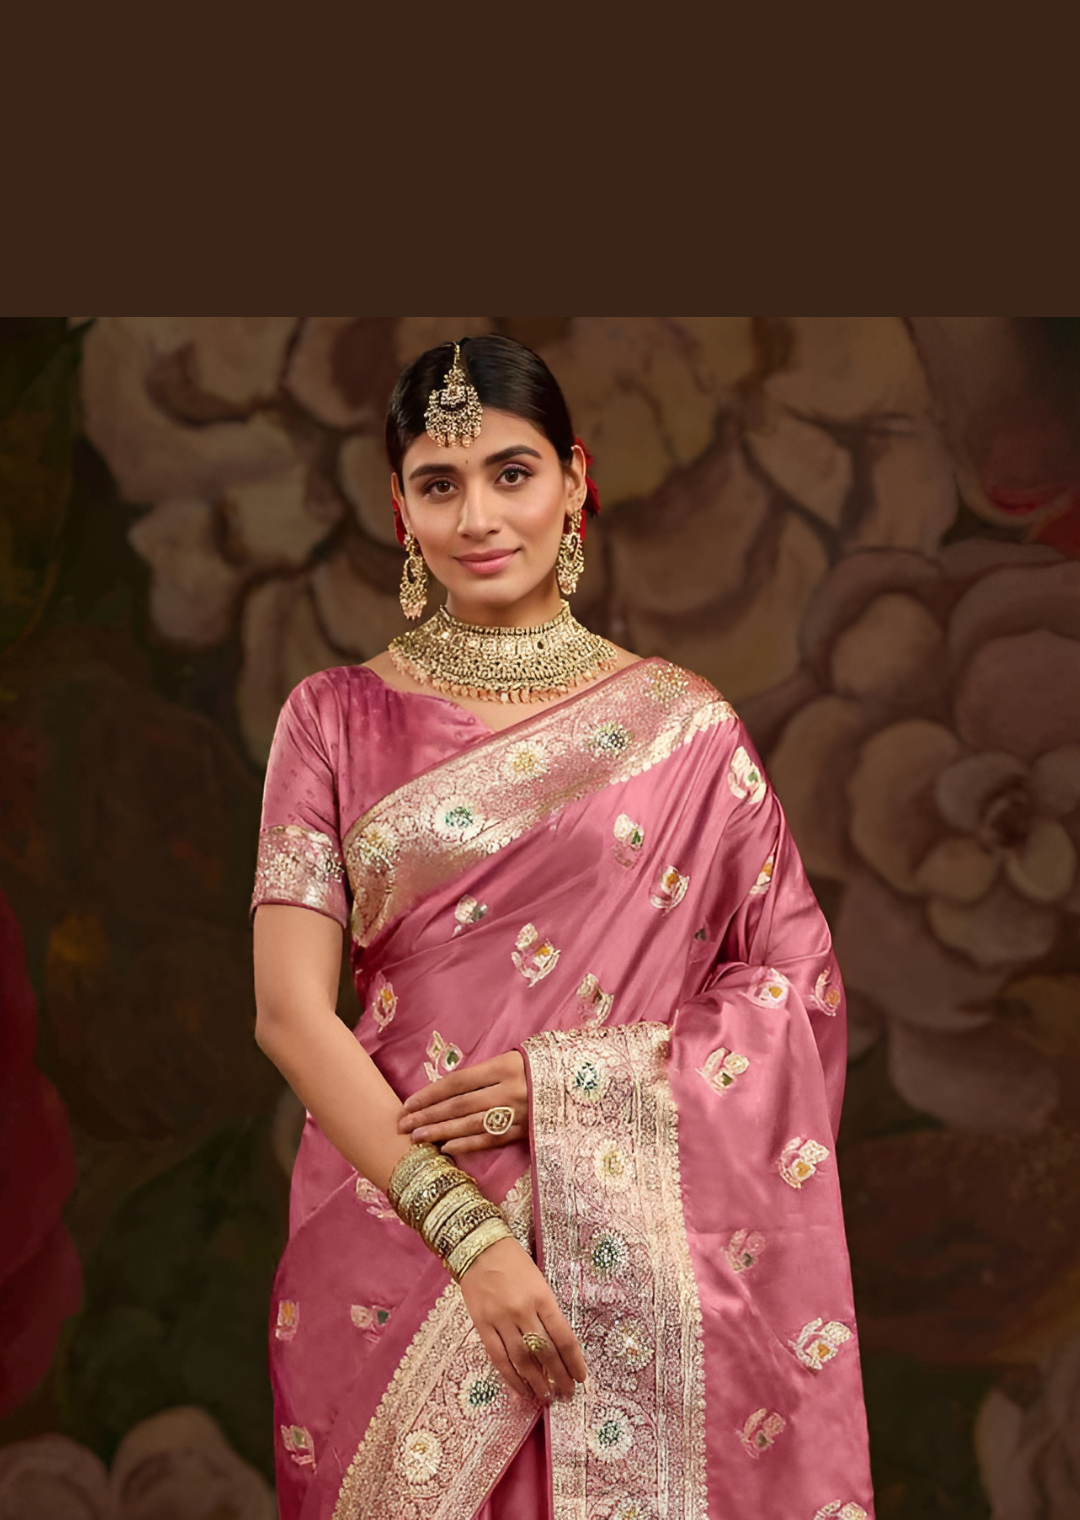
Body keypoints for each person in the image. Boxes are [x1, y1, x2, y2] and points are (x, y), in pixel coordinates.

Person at [251, 335, 873, 1520]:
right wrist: (469, 1235)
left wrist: (580, 1088)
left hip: (630, 1262)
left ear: (575, 477)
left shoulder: (685, 730)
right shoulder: (330, 719)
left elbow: (799, 995)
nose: (480, 516)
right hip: (395, 1249)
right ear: (399, 509)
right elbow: (289, 1012)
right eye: (440, 483)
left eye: (512, 472)